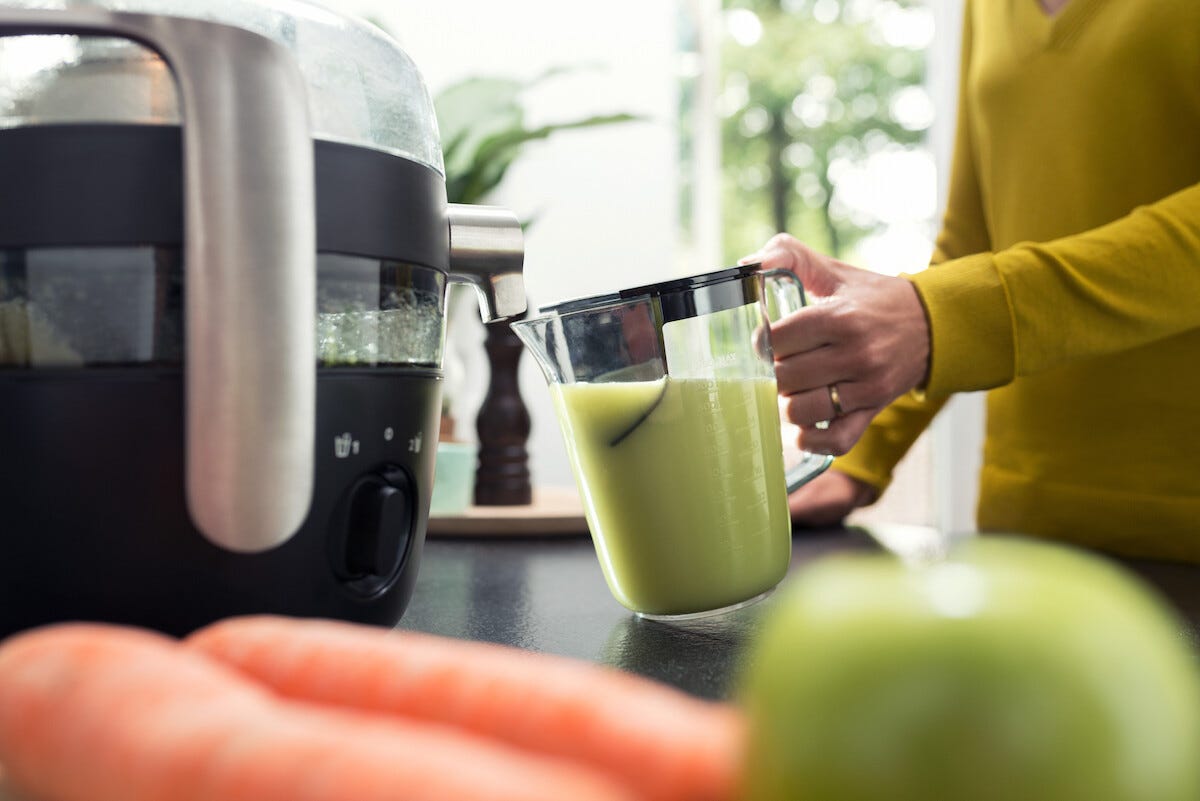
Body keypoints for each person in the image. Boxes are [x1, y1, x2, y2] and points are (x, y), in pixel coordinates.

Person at [743, 0, 1200, 562]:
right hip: (1024, 519)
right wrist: (862, 457)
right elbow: (971, 245)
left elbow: (953, 309)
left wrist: (941, 319)